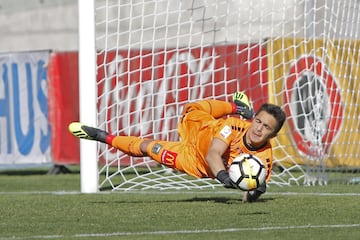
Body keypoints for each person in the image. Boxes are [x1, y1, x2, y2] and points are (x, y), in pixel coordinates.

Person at [69, 92, 286, 202]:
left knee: (147, 147)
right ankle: (238, 108)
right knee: (192, 106)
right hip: (201, 125)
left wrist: (252, 192)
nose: (258, 129)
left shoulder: (264, 160)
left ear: (273, 135)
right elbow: (214, 154)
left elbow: (253, 191)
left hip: (192, 160)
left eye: (266, 127)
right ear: (253, 120)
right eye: (257, 121)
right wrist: (222, 176)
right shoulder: (233, 127)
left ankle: (102, 136)